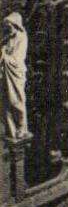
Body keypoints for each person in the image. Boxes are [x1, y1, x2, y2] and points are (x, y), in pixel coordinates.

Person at [1, 13, 29, 142]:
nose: (9, 29)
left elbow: (17, 59)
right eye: (7, 27)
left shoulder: (22, 38)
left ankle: (22, 128)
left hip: (15, 75)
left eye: (10, 26)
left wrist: (4, 55)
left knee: (17, 101)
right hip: (6, 75)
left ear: (16, 25)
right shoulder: (9, 38)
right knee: (6, 103)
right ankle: (11, 130)